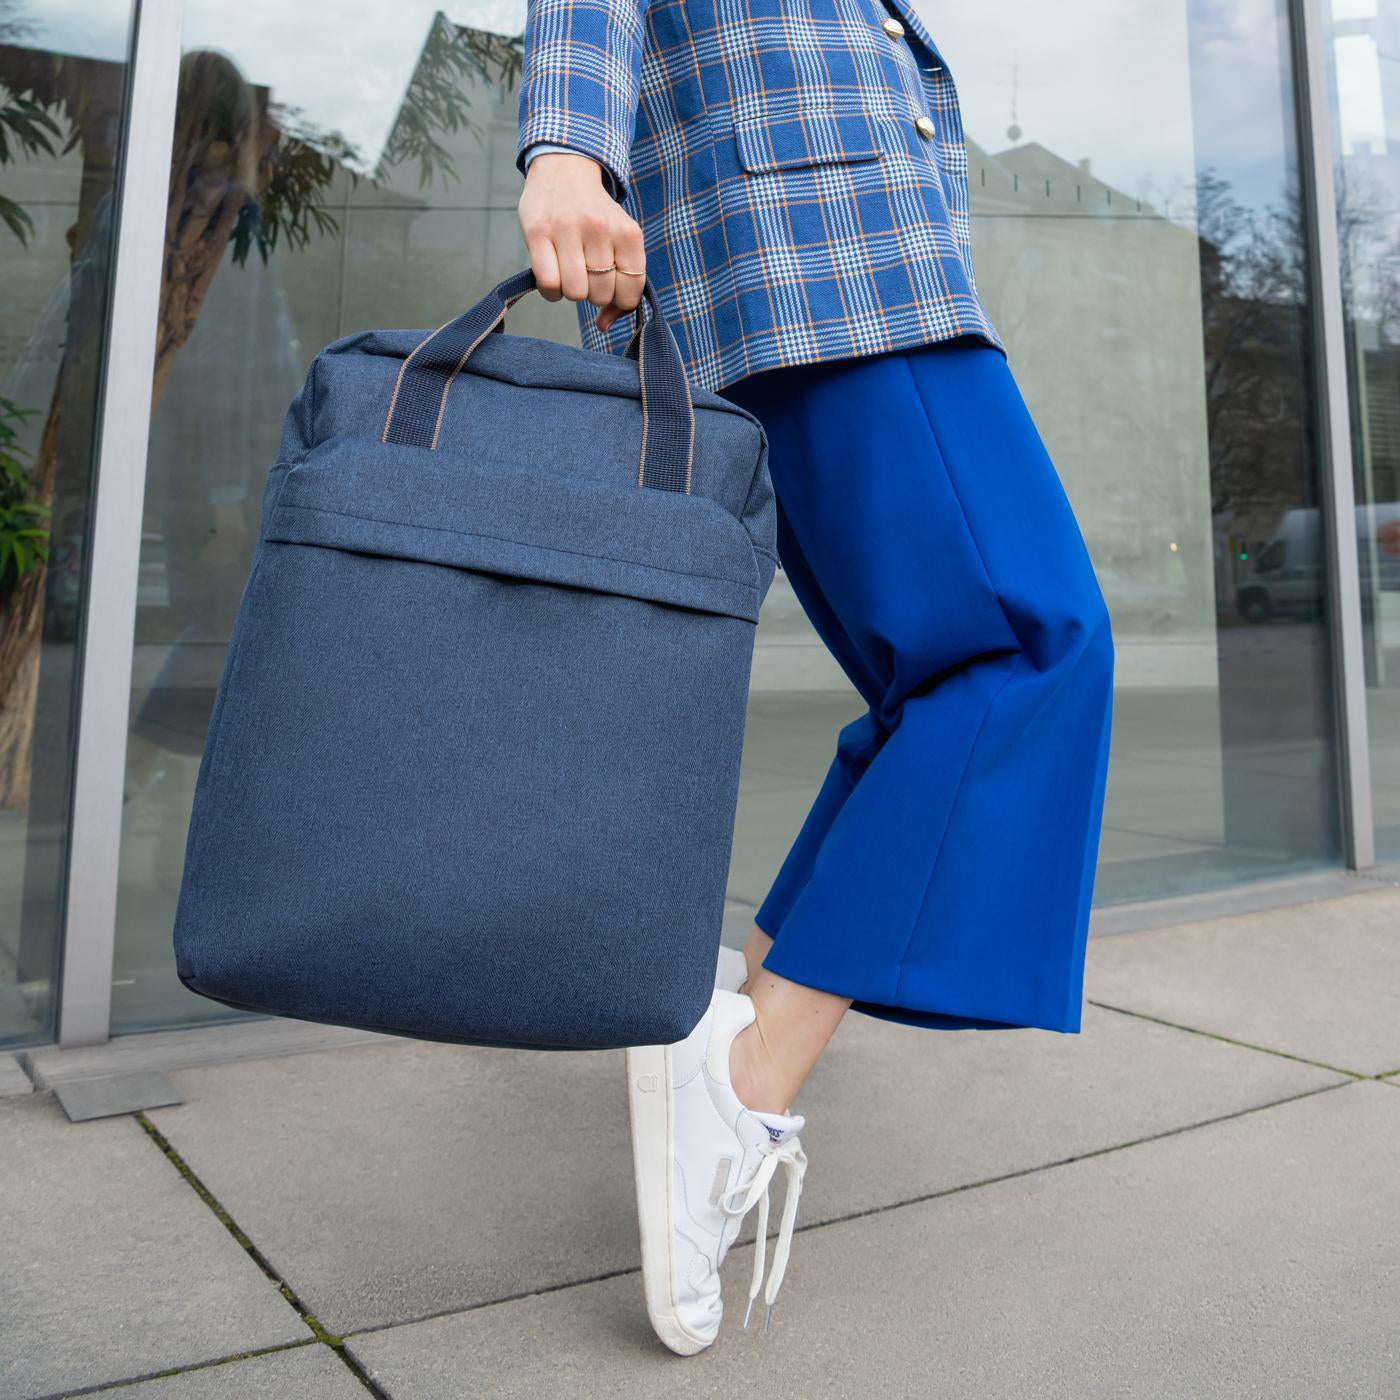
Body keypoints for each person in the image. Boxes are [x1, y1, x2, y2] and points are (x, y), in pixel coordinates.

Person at [515, 0, 1114, 1357]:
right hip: (831, 262)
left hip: (795, 257)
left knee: (946, 685)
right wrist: (565, 148)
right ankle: (740, 1077)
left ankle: (737, 1035)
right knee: (1028, 644)